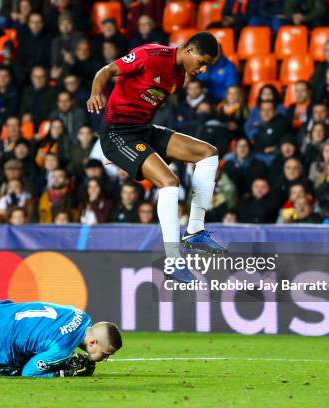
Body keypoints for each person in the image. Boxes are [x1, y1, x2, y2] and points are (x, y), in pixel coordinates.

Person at [87, 32, 225, 283]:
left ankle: (195, 230)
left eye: (207, 66)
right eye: (202, 61)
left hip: (142, 131)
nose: (203, 69)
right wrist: (96, 93)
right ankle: (173, 260)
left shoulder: (180, 78)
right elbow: (105, 72)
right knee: (169, 182)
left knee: (209, 153)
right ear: (188, 50)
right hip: (117, 132)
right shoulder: (150, 55)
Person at [0, 300, 122, 377]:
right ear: (92, 343)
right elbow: (28, 372)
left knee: (28, 338)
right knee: (18, 368)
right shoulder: (62, 349)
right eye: (106, 354)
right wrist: (62, 373)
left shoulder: (81, 315)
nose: (105, 359)